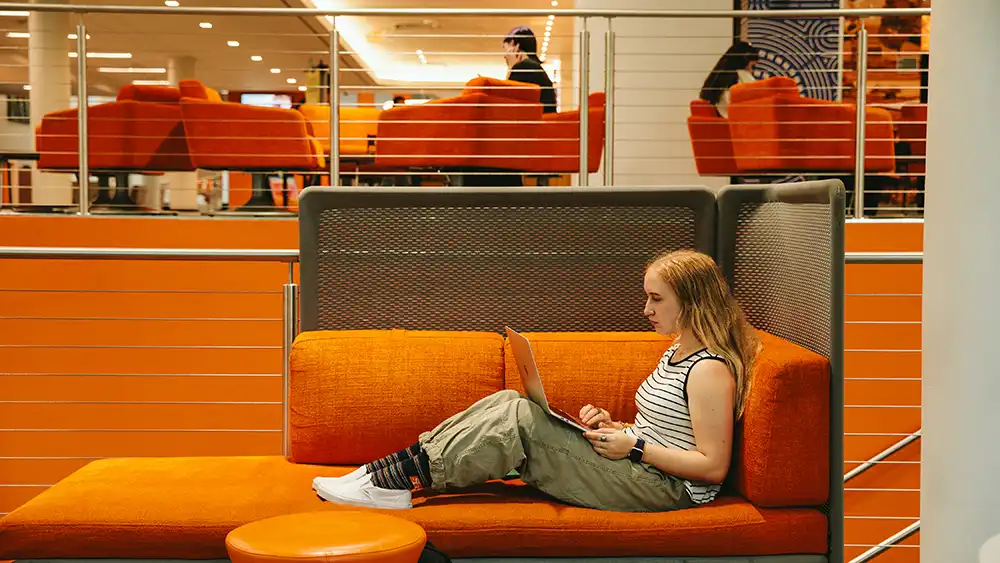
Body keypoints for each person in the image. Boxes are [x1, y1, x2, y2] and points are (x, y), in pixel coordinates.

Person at [313, 250, 759, 512]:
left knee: (519, 419)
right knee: (510, 398)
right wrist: (617, 427)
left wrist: (636, 447)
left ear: (692, 302)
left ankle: (394, 482)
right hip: (640, 463)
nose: (646, 309)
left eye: (656, 298)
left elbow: (711, 466)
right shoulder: (677, 351)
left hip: (666, 488)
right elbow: (670, 430)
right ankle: (387, 472)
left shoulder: (709, 369)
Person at [502, 26, 557, 114]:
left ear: (514, 45)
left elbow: (506, 104)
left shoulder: (523, 68)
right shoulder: (535, 68)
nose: (504, 56)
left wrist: (511, 69)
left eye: (505, 49)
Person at [699, 41, 760, 118]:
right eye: (752, 66)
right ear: (744, 62)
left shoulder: (717, 79)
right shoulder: (741, 76)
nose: (751, 71)